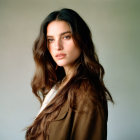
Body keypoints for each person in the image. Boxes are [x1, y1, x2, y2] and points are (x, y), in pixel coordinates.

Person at [25, 8, 114, 140]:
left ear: (81, 39)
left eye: (66, 37)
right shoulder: (59, 86)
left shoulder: (86, 91)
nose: (57, 46)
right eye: (51, 40)